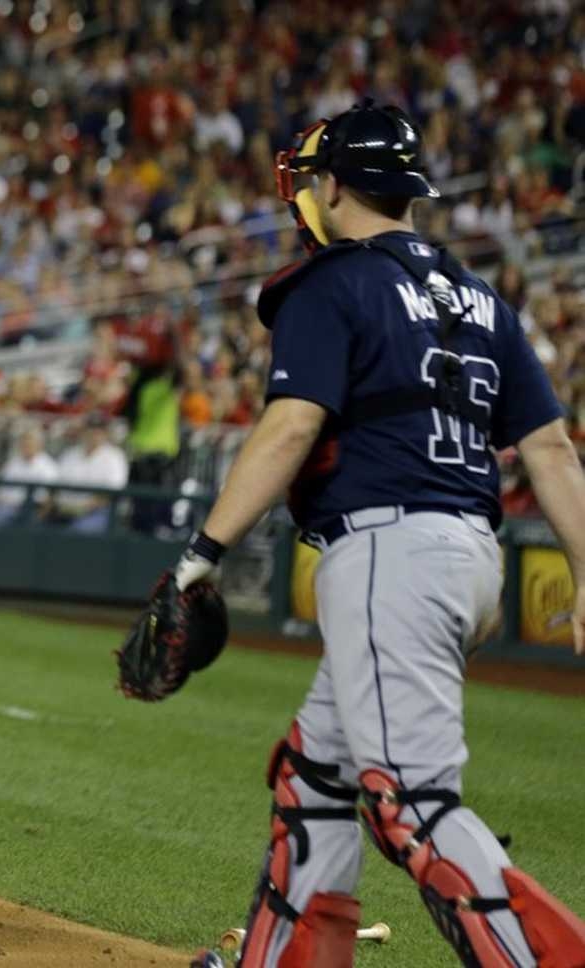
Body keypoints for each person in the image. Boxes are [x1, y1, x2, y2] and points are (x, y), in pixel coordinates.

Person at [177, 101, 585, 968]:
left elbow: (291, 428)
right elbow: (550, 449)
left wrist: (198, 555)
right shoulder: (479, 297)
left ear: (333, 186)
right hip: (472, 559)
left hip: (388, 550)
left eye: (314, 180)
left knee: (411, 802)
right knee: (314, 775)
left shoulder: (332, 282)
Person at [55, 418, 129, 533]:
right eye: (90, 430)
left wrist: (82, 507)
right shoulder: (70, 454)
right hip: (62, 510)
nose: (94, 435)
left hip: (99, 512)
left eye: (98, 431)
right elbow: (56, 485)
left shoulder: (115, 457)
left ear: (105, 434)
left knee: (77, 531)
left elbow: (111, 494)